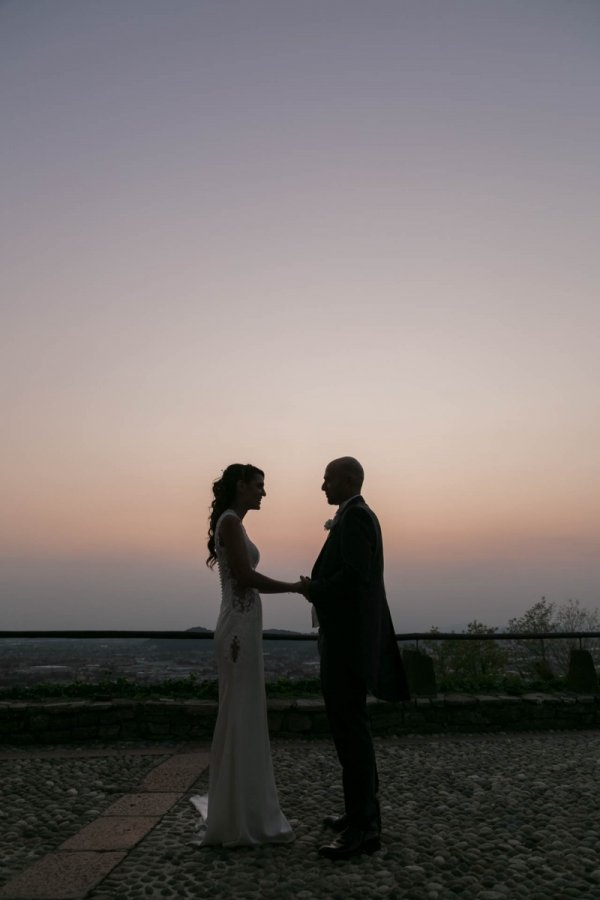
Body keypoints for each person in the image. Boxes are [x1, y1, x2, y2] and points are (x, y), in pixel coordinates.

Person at [299, 456, 410, 859]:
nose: (322, 486)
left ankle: (364, 828)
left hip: (348, 644)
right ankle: (357, 814)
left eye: (327, 478)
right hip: (345, 640)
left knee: (352, 734)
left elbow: (355, 577)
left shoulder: (357, 518)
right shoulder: (353, 516)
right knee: (349, 733)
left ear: (348, 480)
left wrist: (313, 587)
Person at [190, 463, 304, 847]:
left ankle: (243, 804)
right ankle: (241, 812)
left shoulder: (233, 523)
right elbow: (245, 576)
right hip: (237, 628)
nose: (263, 493)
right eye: (258, 485)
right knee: (240, 710)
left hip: (242, 624)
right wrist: (292, 587)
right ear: (239, 486)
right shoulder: (230, 524)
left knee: (244, 709)